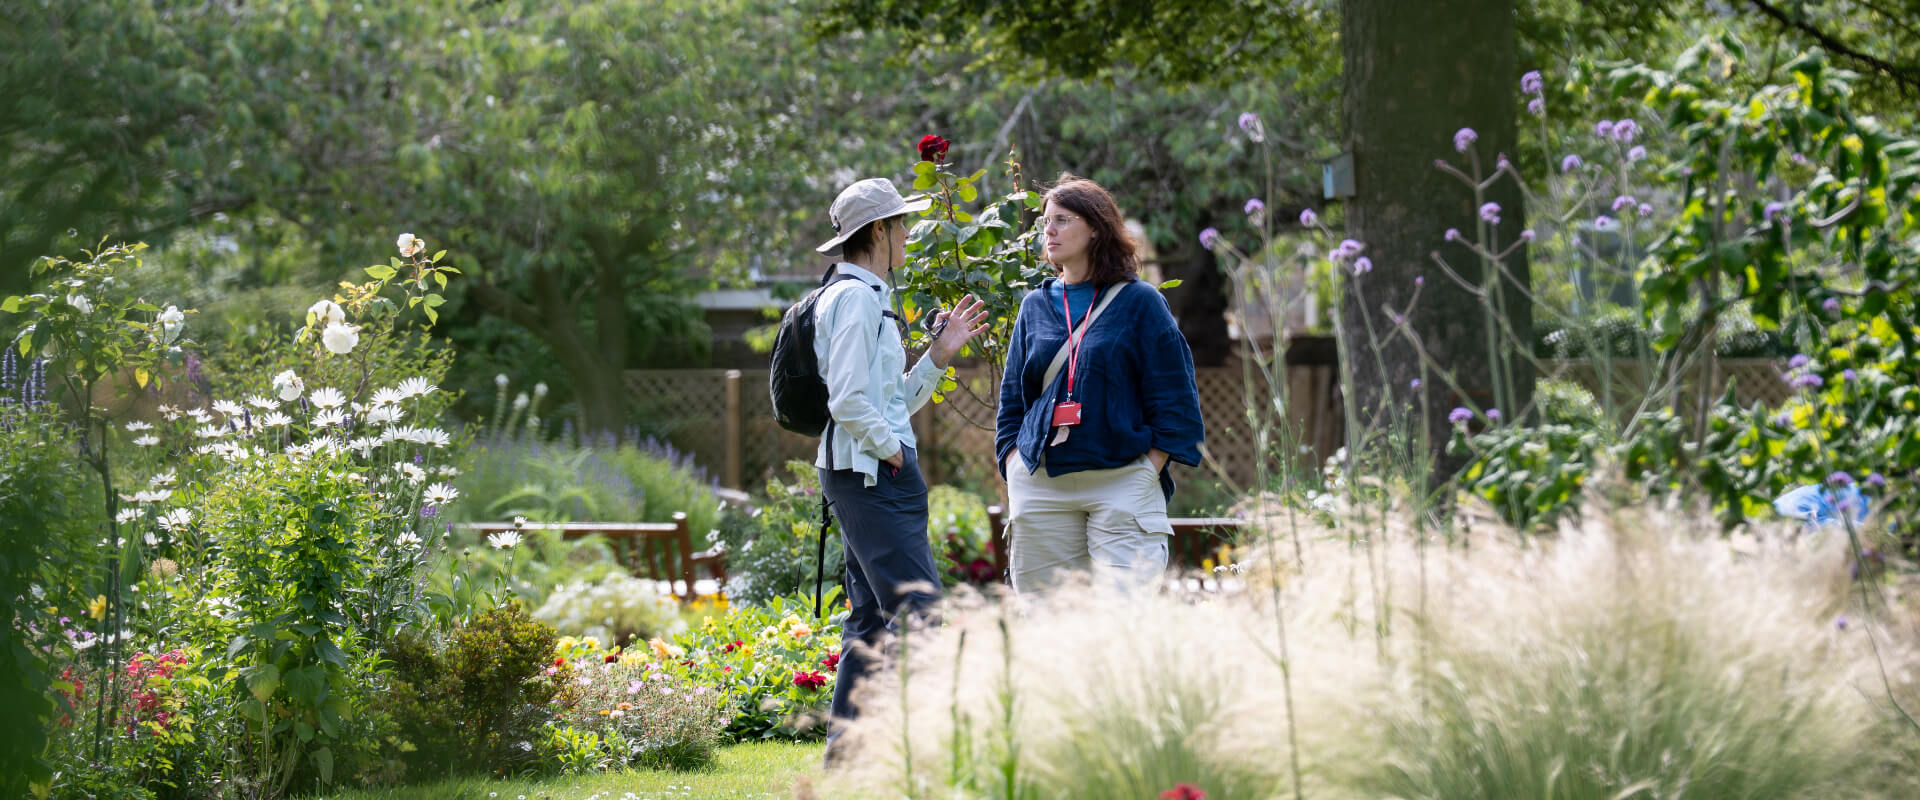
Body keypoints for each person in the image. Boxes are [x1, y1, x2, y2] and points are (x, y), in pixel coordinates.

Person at [810, 177, 988, 758]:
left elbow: (887, 401)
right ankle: (936, 751)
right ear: (880, 231)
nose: (909, 235)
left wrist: (937, 356)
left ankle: (851, 758)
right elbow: (848, 401)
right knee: (920, 613)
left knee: (871, 622)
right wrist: (893, 452)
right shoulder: (858, 299)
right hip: (871, 475)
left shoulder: (862, 295)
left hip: (866, 470)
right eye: (902, 224)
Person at [995, 174, 1205, 597]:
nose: (1048, 231)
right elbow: (1013, 402)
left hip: (1122, 481)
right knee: (1049, 629)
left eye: (1062, 220)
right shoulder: (1035, 305)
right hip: (1043, 485)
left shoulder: (1140, 302)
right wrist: (1014, 464)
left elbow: (1175, 399)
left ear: (1096, 227)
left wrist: (1148, 471)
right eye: (1045, 222)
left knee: (1122, 626)